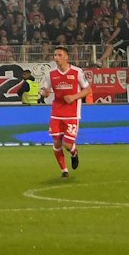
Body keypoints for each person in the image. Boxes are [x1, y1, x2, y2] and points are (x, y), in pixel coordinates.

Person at [47, 46, 87, 177]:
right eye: (55, 55)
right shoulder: (51, 74)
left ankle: (74, 153)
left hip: (72, 113)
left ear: (66, 57)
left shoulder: (77, 72)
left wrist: (74, 97)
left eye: (59, 55)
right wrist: (44, 93)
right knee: (57, 142)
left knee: (68, 145)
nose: (56, 58)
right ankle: (64, 170)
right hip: (56, 113)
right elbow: (45, 90)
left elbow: (88, 90)